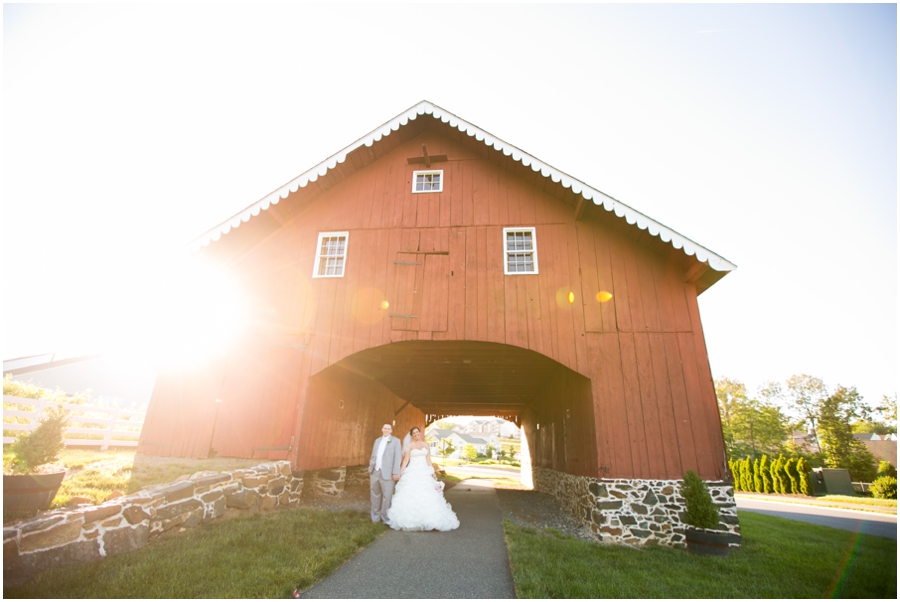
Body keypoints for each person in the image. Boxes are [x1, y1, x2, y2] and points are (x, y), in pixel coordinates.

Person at [386, 426, 460, 531]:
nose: (416, 434)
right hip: (412, 471)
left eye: (417, 432)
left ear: (420, 433)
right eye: (414, 433)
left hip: (424, 471)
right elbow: (406, 460)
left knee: (428, 494)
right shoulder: (410, 445)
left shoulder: (426, 445)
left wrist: (432, 472)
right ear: (411, 435)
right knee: (411, 494)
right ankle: (409, 521)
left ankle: (431, 520)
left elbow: (428, 460)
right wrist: (400, 472)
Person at [368, 422, 402, 524]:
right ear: (382, 429)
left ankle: (385, 517)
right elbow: (374, 455)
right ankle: (375, 517)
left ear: (391, 431)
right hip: (375, 472)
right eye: (385, 428)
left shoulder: (396, 441)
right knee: (375, 494)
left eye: (388, 428)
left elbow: (397, 458)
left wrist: (396, 472)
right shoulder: (377, 441)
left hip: (388, 473)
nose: (386, 430)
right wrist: (371, 468)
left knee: (387, 496)